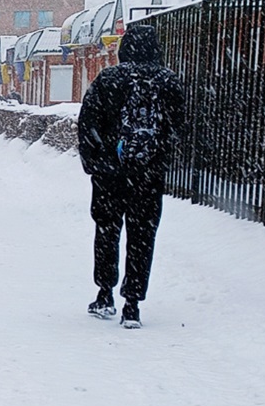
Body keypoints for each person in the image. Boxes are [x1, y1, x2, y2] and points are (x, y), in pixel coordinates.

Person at [75, 23, 185, 329]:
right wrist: (159, 160)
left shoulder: (109, 79)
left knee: (107, 231)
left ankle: (105, 291)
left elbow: (87, 122)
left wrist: (94, 163)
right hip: (148, 176)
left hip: (110, 174)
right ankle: (132, 303)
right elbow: (177, 129)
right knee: (142, 236)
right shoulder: (168, 82)